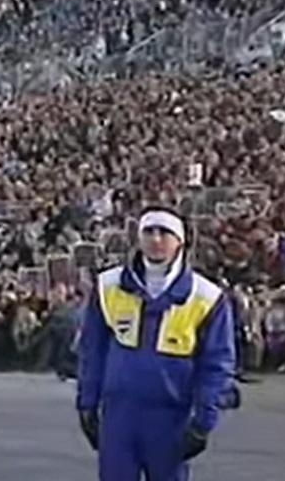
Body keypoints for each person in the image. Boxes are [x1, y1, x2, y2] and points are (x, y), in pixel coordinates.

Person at [76, 206, 236, 481]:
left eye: (165, 232)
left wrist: (203, 422)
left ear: (180, 241)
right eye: (149, 231)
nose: (156, 239)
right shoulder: (108, 285)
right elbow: (92, 351)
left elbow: (217, 364)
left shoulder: (207, 298)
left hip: (171, 418)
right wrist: (87, 403)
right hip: (119, 416)